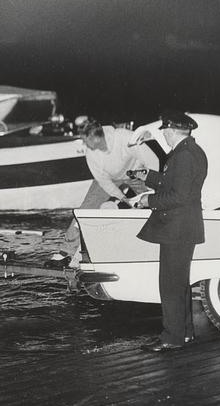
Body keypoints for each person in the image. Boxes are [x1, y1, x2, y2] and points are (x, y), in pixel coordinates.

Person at [132, 111, 207, 352]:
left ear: (172, 130)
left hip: (177, 228)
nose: (163, 134)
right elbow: (175, 184)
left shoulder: (184, 155)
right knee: (179, 283)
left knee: (170, 285)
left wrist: (148, 201)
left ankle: (171, 338)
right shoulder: (189, 152)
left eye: (164, 130)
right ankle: (184, 333)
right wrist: (150, 177)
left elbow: (179, 195)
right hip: (183, 227)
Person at [55, 119, 159, 267]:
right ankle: (65, 252)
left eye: (85, 140)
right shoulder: (91, 154)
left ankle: (156, 243)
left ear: (95, 138)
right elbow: (104, 181)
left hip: (135, 173)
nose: (85, 144)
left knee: (157, 203)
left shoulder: (124, 137)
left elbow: (152, 161)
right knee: (86, 209)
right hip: (110, 178)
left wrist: (152, 187)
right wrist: (123, 197)